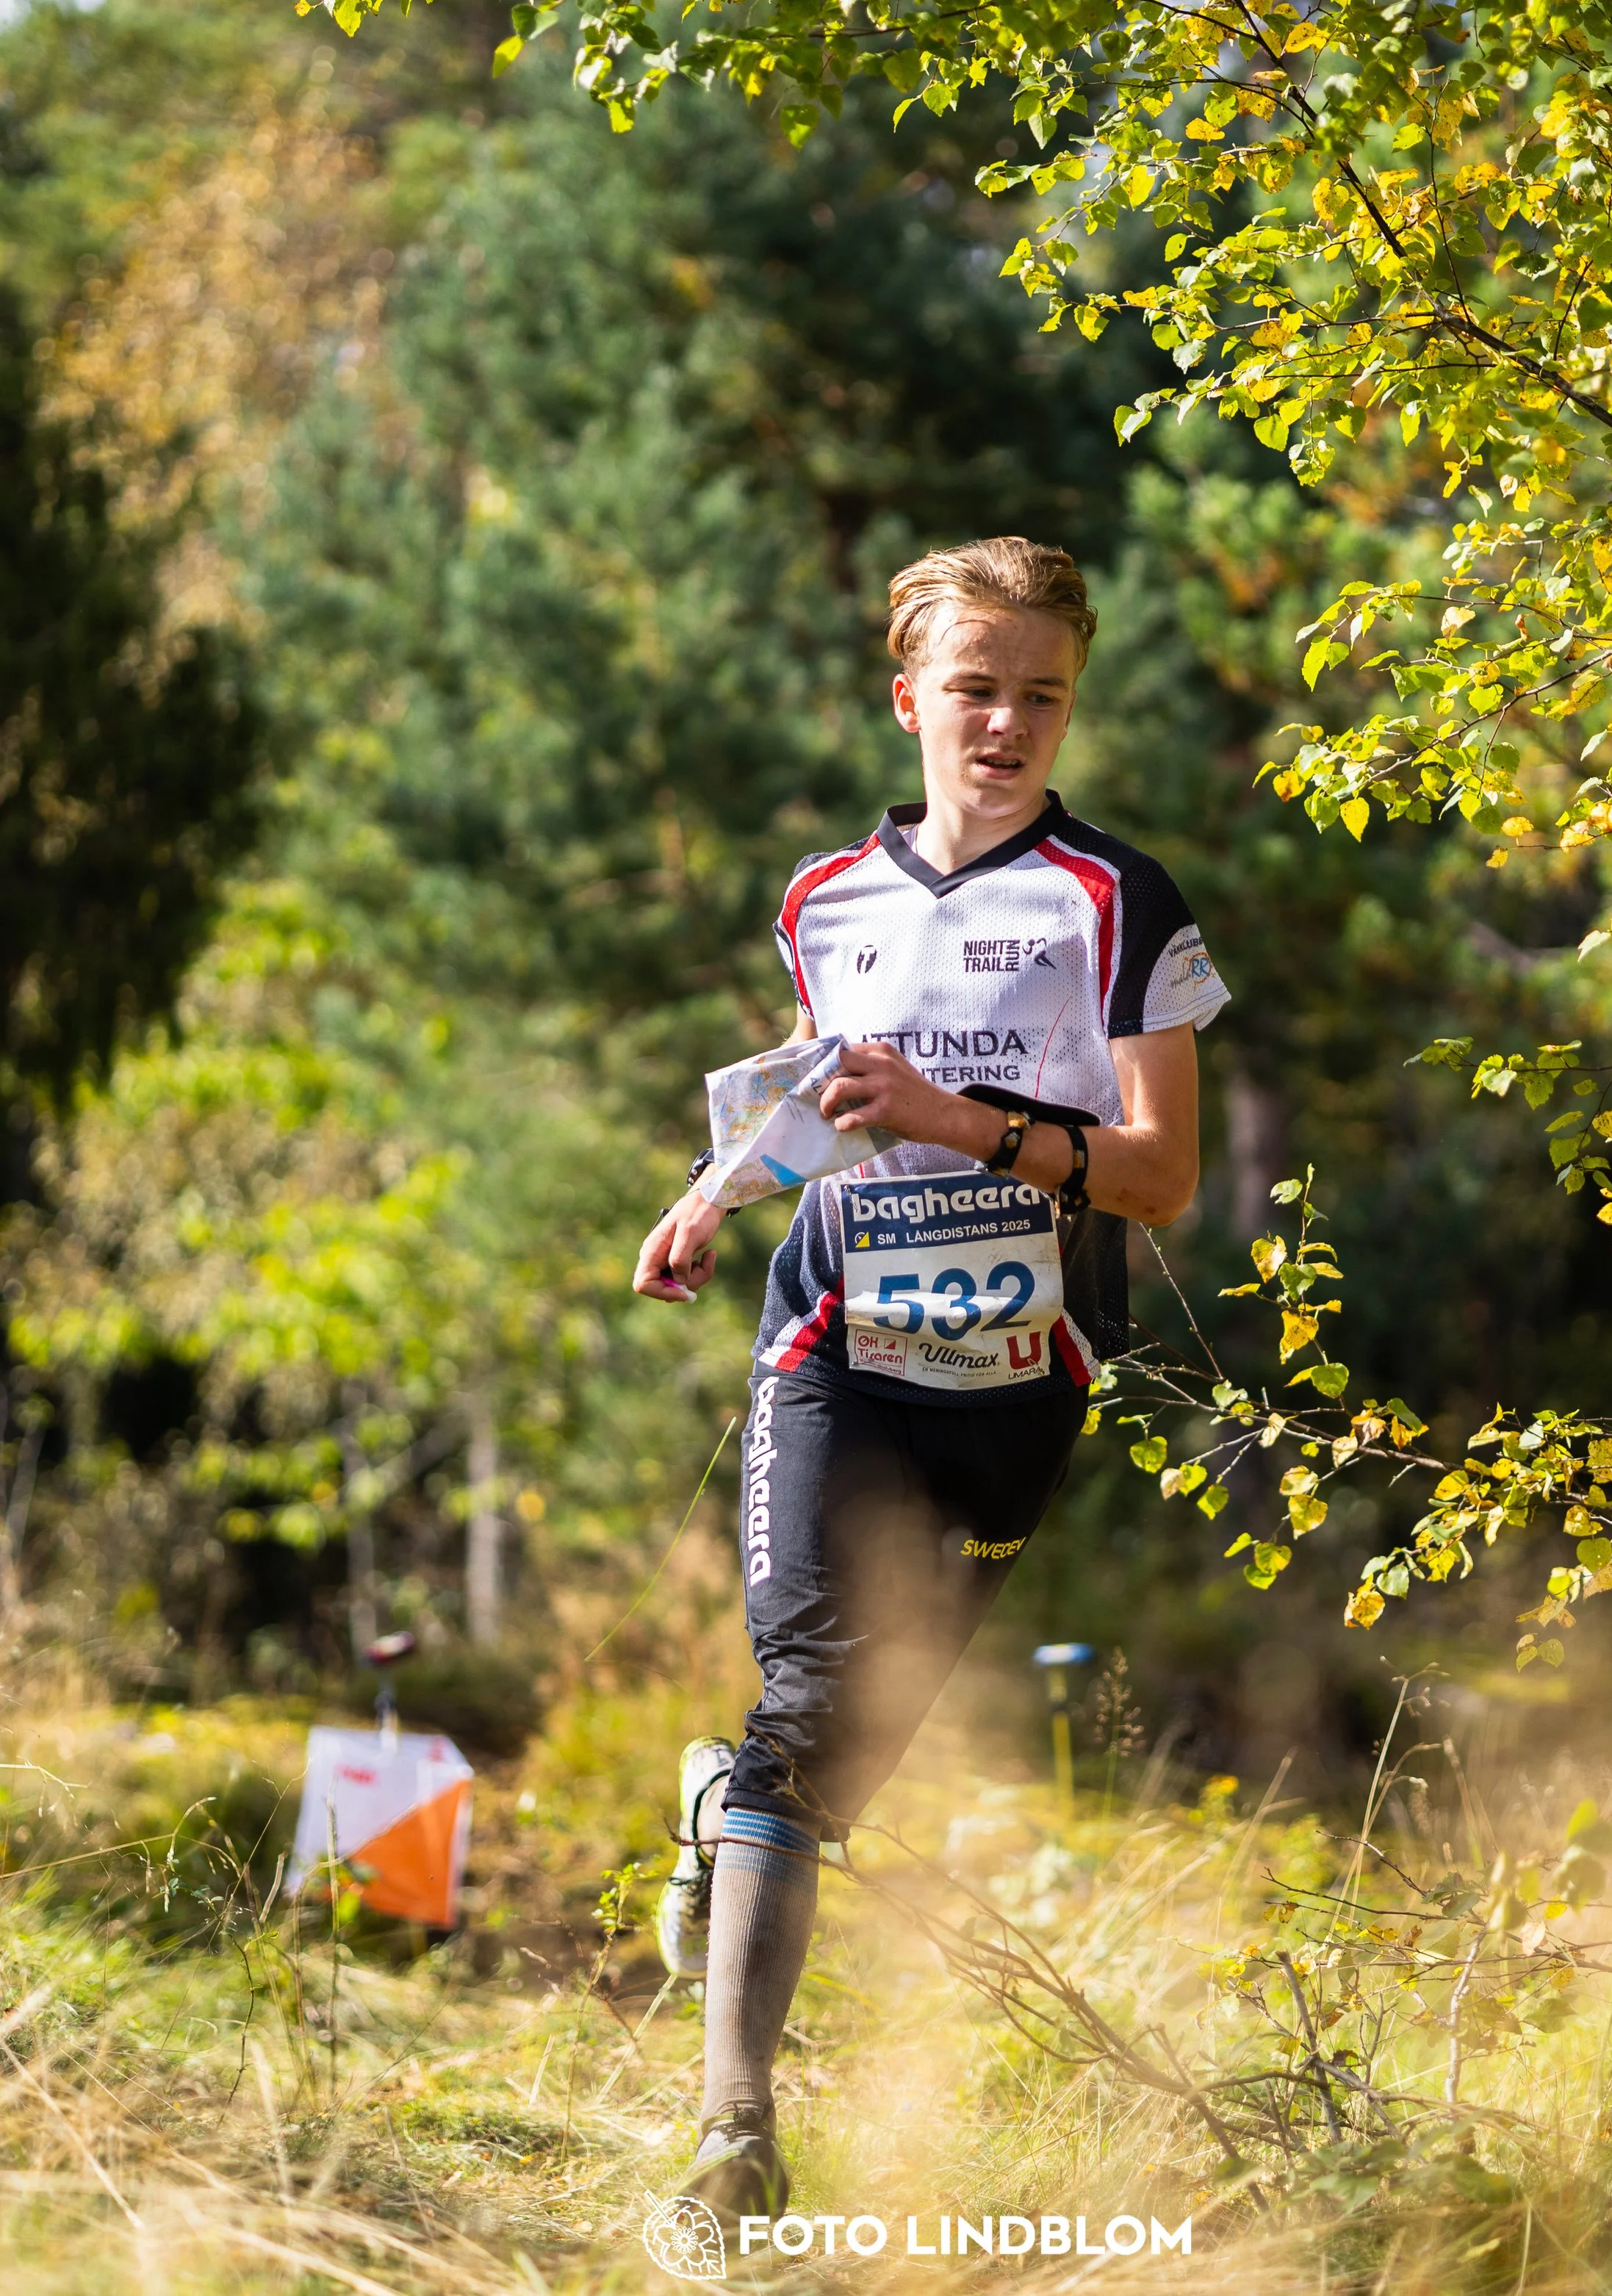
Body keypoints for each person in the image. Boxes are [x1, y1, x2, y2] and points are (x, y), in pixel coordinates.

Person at [632, 536, 1227, 2224]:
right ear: (908, 698)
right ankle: (730, 2144)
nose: (1005, 722)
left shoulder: (1120, 899)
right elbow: (817, 1102)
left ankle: (720, 1808)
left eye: (1040, 693)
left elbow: (1161, 1175)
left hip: (1017, 1371)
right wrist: (705, 1194)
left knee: (838, 1750)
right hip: (828, 1338)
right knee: (810, 1713)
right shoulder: (823, 897)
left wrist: (966, 1124)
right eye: (973, 689)